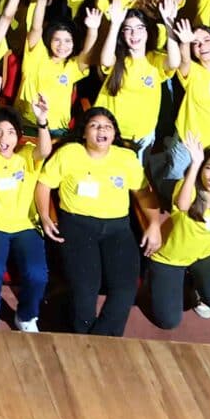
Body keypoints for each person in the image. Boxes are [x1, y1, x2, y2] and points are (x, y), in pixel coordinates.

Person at [36, 107, 162, 336]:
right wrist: (45, 215)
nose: (101, 130)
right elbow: (44, 184)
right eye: (94, 125)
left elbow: (144, 194)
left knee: (124, 289)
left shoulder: (126, 157)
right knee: (85, 290)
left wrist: (154, 224)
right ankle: (82, 336)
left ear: (114, 134)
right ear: (84, 133)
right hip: (77, 226)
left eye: (107, 126)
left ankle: (101, 341)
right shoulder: (69, 152)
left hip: (117, 229)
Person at [0, 76, 54, 332]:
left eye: (11, 132)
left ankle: (25, 316)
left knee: (38, 275)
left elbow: (45, 150)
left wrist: (42, 121)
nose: (4, 138)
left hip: (24, 226)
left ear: (19, 137)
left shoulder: (27, 156)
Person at [145, 135, 210, 330]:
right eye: (209, 168)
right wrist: (195, 164)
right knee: (168, 321)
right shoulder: (186, 186)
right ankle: (159, 280)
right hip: (170, 257)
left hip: (204, 254)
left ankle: (197, 284)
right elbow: (183, 204)